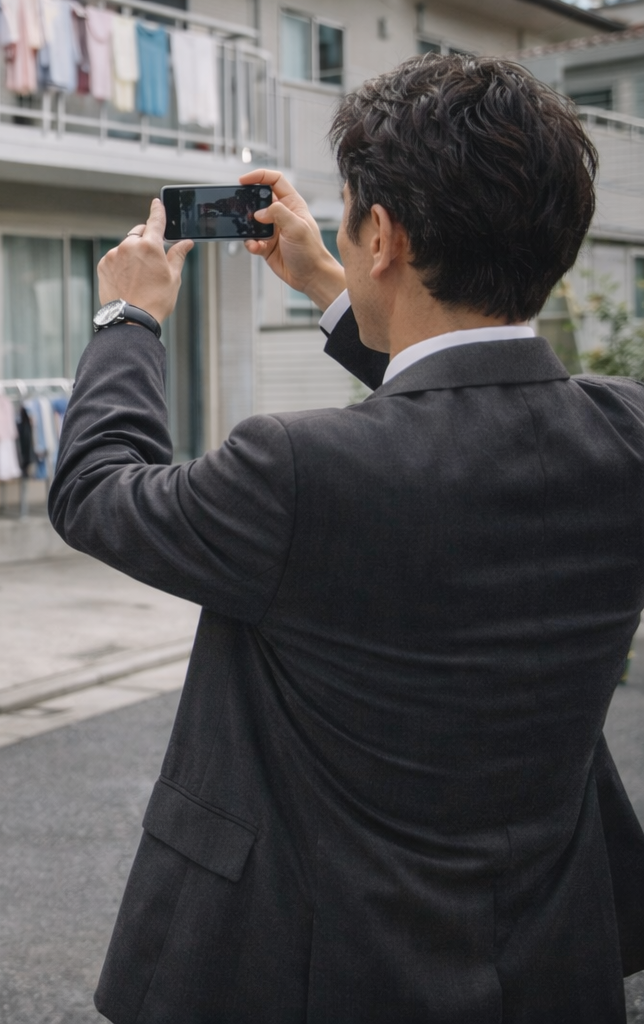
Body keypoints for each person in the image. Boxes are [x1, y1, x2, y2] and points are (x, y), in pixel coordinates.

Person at [51, 55, 644, 1021]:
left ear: (386, 235)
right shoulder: (625, 435)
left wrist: (130, 315)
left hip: (325, 967)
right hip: (548, 953)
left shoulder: (295, 471)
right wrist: (333, 283)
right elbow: (465, 413)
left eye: (353, 214)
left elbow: (95, 491)